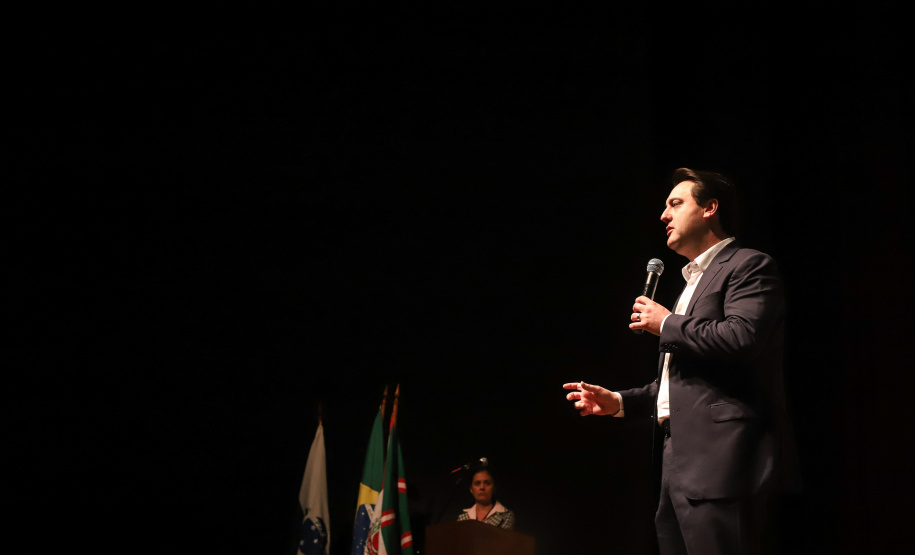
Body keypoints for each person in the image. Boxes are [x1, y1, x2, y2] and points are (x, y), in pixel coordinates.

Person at [563, 168, 798, 555]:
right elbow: (684, 381)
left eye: (675, 203)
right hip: (676, 461)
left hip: (723, 459)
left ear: (710, 208)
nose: (663, 215)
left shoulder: (748, 265)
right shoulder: (690, 283)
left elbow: (742, 337)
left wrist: (666, 322)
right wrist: (620, 402)